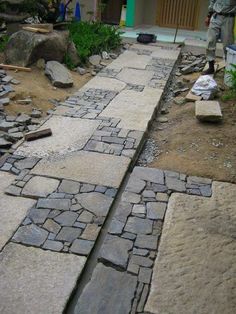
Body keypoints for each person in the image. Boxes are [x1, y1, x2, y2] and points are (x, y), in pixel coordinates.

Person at [203, 0, 236, 75]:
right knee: (210, 41)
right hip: (216, 16)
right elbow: (212, 1)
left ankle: (228, 69)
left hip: (229, 17)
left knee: (228, 45)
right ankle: (211, 67)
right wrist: (208, 15)